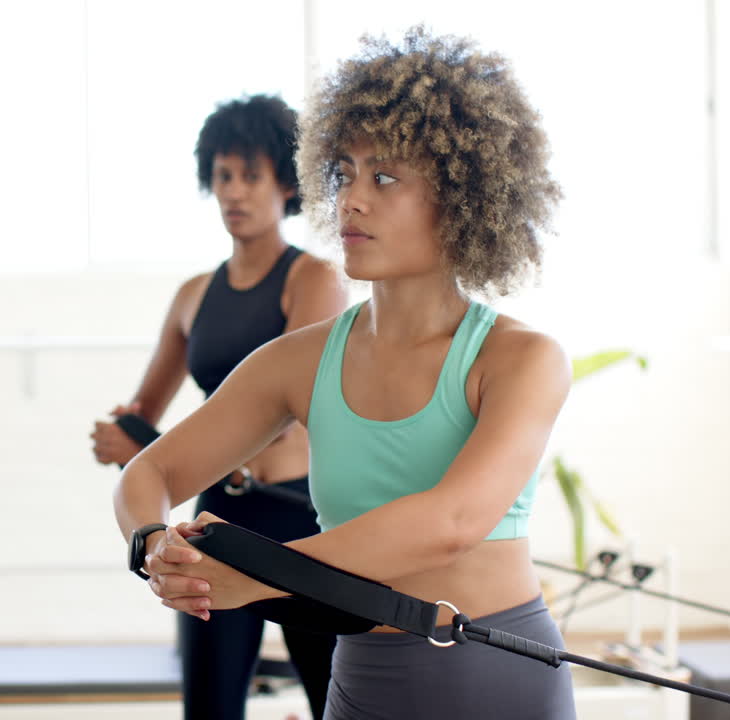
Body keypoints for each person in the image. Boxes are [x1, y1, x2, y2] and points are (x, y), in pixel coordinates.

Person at [115, 27, 576, 719]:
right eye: (345, 173)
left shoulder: (521, 359)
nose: (351, 199)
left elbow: (450, 521)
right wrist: (154, 545)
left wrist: (257, 575)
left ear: (460, 197)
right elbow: (147, 476)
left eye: (384, 176)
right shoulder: (300, 361)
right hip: (362, 679)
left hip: (497, 674)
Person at [92, 94, 348, 720]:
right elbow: (142, 417)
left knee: (333, 702)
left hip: (301, 523)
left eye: (250, 176)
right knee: (208, 706)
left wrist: (161, 447)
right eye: (223, 176)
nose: (234, 192)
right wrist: (124, 440)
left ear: (285, 184)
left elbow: (293, 413)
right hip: (219, 525)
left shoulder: (313, 279)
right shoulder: (193, 295)